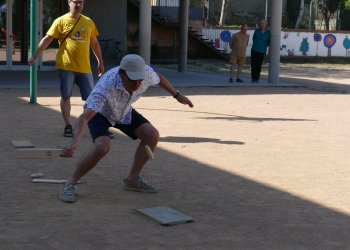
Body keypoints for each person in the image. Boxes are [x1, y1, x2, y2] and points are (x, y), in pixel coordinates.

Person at [58, 54, 194, 203]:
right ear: (122, 74)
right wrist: (75, 142)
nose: (137, 85)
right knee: (103, 146)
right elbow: (85, 117)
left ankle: (132, 180)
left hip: (123, 110)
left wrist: (177, 95)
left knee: (152, 135)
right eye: (132, 80)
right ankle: (69, 184)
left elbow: (159, 78)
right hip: (101, 113)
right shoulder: (106, 86)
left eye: (140, 80)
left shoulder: (146, 73)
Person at [28, 0, 104, 137]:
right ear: (69, 2)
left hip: (84, 67)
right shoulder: (60, 21)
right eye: (75, 2)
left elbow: (94, 43)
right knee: (66, 96)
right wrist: (34, 57)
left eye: (81, 2)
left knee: (92, 99)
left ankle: (96, 126)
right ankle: (68, 125)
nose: (78, 5)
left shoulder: (88, 22)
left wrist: (100, 61)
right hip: (66, 66)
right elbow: (47, 39)